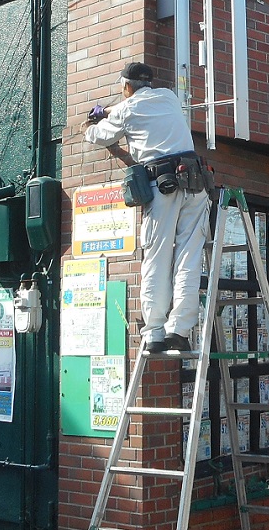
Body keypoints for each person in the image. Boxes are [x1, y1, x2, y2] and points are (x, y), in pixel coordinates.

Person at [82, 62, 210, 352]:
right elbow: (136, 106)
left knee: (158, 256)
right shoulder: (169, 97)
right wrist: (108, 111)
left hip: (162, 186)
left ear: (126, 88)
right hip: (194, 181)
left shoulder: (127, 110)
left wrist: (91, 124)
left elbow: (100, 136)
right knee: (188, 258)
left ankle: (154, 332)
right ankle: (179, 329)